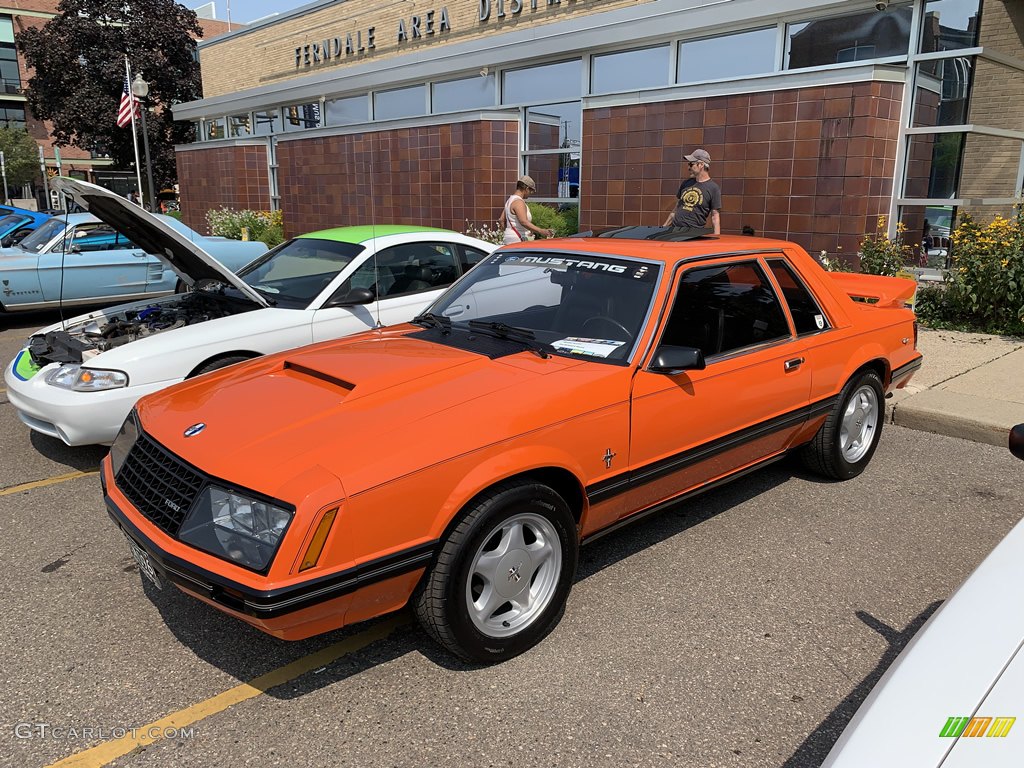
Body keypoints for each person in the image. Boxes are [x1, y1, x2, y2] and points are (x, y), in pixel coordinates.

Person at [663, 148, 721, 234]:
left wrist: (717, 239)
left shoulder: (713, 188)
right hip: (674, 232)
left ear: (701, 165)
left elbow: (715, 217)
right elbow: (676, 209)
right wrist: (663, 228)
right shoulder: (686, 183)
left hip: (693, 235)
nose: (688, 168)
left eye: (691, 164)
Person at [499, 175, 555, 245]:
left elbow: (501, 220)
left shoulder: (509, 201)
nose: (531, 194)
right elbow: (523, 222)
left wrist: (509, 233)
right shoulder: (519, 202)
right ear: (527, 188)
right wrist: (541, 231)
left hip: (509, 238)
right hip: (518, 239)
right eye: (531, 191)